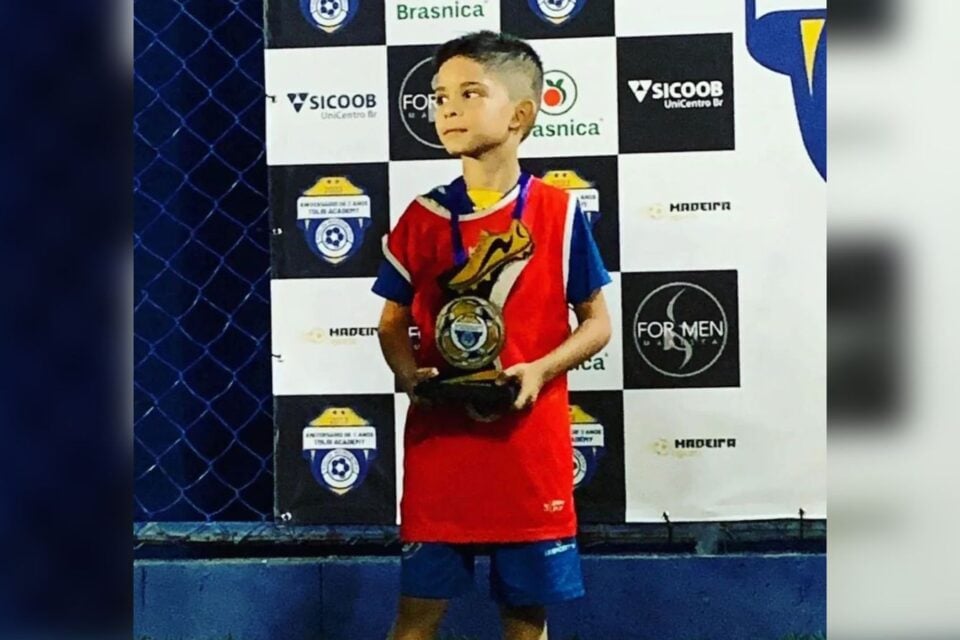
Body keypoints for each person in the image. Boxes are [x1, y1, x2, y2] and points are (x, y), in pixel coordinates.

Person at [372, 30, 612, 640]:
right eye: (439, 95)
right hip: (441, 447)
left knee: (525, 620)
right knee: (416, 617)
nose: (447, 107)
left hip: (529, 450)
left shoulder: (559, 215)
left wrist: (539, 369)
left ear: (522, 114)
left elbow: (598, 323)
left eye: (470, 93)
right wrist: (407, 374)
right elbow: (391, 320)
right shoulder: (423, 218)